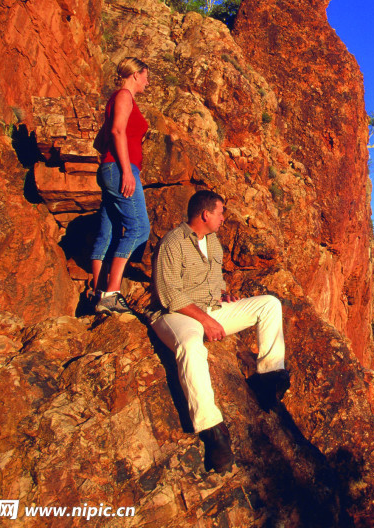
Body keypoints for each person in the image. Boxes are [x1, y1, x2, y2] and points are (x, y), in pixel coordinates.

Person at [151, 190, 289, 473]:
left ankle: (267, 378)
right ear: (205, 214)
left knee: (270, 305)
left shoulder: (212, 242)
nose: (223, 218)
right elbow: (168, 294)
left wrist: (224, 296)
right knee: (190, 345)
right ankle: (212, 431)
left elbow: (216, 281)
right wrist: (205, 321)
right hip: (177, 314)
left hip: (210, 309)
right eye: (220, 212)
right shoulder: (173, 242)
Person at [90, 58, 152, 314]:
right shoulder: (125, 96)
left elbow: (104, 138)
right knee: (138, 228)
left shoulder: (118, 98)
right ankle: (112, 293)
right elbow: (116, 132)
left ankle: (98, 291)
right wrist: (127, 171)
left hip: (110, 168)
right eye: (146, 76)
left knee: (110, 229)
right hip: (119, 168)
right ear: (136, 74)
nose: (147, 82)